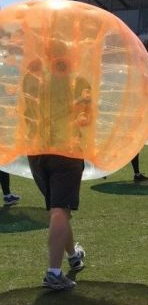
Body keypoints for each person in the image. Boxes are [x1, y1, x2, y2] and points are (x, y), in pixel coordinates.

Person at [26, 65, 90, 291]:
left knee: (59, 210)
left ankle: (73, 255)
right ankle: (53, 273)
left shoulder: (33, 77)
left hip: (36, 152)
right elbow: (86, 118)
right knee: (60, 210)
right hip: (66, 152)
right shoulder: (78, 80)